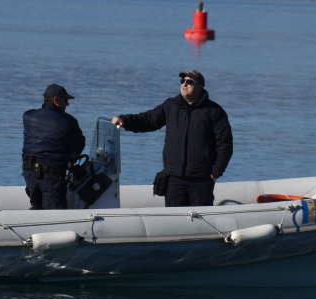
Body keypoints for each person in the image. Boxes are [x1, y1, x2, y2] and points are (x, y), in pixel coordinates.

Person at [112, 70, 233, 207]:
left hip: (201, 180)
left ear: (200, 87)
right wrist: (125, 120)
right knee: (174, 221)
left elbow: (225, 146)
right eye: (183, 81)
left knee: (200, 223)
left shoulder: (215, 111)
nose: (184, 84)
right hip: (174, 179)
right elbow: (148, 119)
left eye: (190, 82)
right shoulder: (171, 106)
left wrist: (215, 173)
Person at [22, 84, 85, 210]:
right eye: (65, 100)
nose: (67, 104)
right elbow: (78, 146)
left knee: (36, 208)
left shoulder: (28, 116)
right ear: (56, 99)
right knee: (55, 215)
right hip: (52, 177)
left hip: (29, 174)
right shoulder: (68, 121)